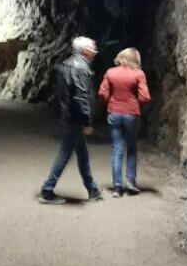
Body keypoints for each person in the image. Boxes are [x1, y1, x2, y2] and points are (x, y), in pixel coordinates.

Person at [39, 36, 103, 205]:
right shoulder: (81, 67)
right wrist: (86, 121)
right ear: (84, 50)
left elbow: (60, 94)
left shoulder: (66, 64)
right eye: (92, 47)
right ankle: (47, 190)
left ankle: (92, 189)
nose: (95, 50)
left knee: (82, 153)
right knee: (65, 153)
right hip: (74, 119)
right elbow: (81, 96)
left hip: (68, 116)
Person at [97, 47, 151, 197]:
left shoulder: (110, 72)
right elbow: (145, 97)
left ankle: (116, 188)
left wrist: (110, 102)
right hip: (131, 114)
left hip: (114, 112)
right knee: (132, 147)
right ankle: (131, 182)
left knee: (117, 149)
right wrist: (134, 102)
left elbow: (102, 93)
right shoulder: (138, 74)